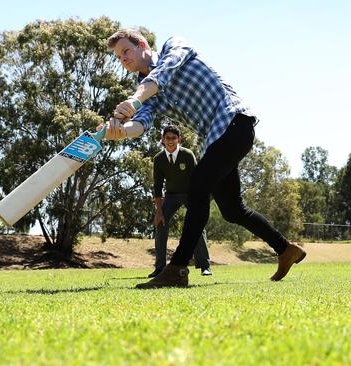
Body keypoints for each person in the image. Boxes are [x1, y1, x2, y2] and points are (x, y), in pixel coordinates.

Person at [101, 29, 306, 288]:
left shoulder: (173, 47)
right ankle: (285, 249)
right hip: (216, 139)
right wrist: (118, 132)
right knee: (232, 210)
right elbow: (141, 124)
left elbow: (161, 75)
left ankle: (177, 269)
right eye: (119, 57)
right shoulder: (146, 92)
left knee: (197, 184)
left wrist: (134, 100)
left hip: (234, 122)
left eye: (126, 51)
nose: (123, 59)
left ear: (142, 44)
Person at [151, 125, 212, 278]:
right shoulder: (158, 159)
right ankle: (159, 268)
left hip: (190, 195)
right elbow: (157, 187)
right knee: (160, 224)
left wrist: (198, 203)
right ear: (162, 140)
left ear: (179, 139)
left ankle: (205, 266)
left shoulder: (187, 154)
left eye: (173, 138)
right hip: (171, 196)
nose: (170, 141)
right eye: (167, 138)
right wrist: (159, 212)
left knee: (197, 225)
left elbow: (197, 179)